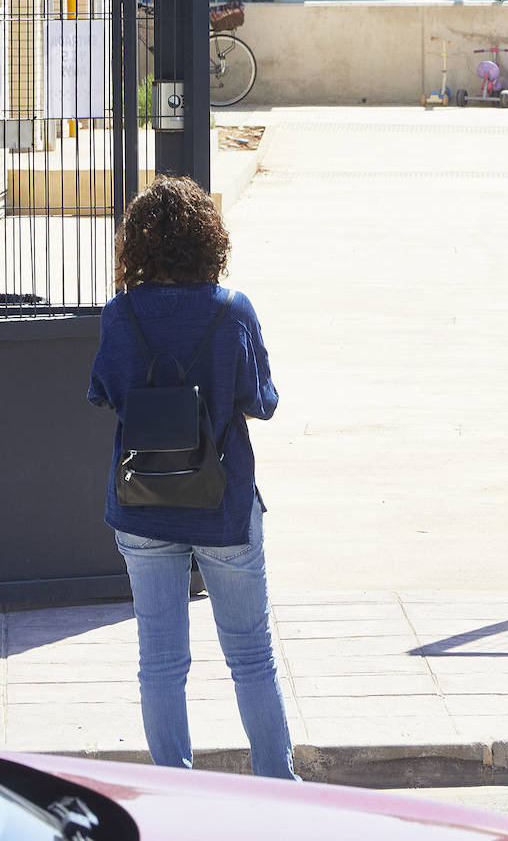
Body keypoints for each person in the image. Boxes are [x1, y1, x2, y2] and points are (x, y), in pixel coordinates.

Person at [88, 176, 296, 780]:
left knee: (160, 661)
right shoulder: (232, 310)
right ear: (208, 240)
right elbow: (263, 402)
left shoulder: (120, 315)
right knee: (252, 656)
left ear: (137, 247)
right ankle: (277, 788)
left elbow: (102, 392)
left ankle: (172, 790)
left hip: (142, 505)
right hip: (223, 506)